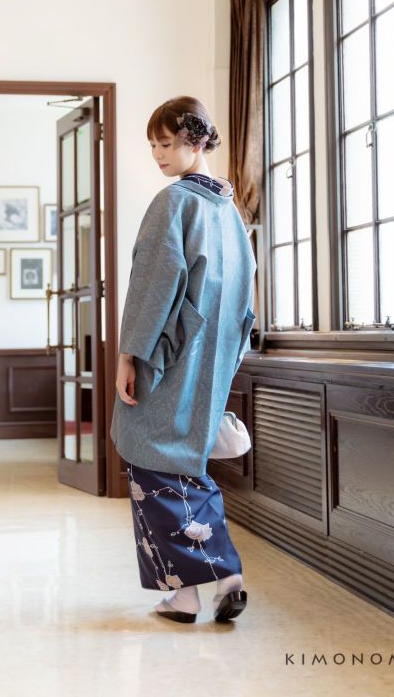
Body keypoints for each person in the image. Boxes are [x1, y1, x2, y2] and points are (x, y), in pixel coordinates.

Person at [110, 96, 257, 624]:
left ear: (196, 141)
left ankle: (204, 581)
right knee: (185, 460)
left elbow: (152, 285)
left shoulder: (174, 202)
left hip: (169, 354)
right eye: (153, 144)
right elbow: (244, 293)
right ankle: (196, 590)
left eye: (167, 143)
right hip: (212, 358)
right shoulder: (228, 210)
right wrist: (227, 358)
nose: (158, 154)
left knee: (152, 461)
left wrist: (130, 354)